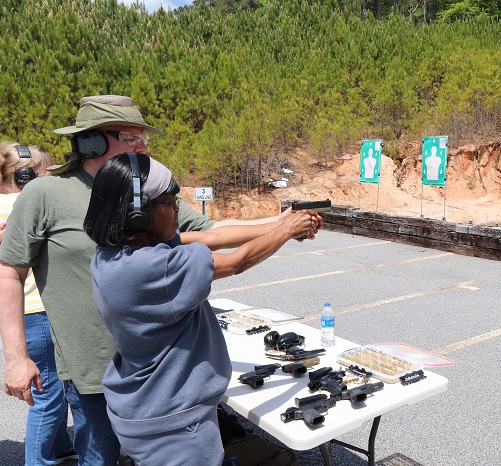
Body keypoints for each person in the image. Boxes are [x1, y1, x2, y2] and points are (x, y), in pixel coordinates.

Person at [0, 95, 307, 465]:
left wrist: (283, 223)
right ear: (90, 142)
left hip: (162, 376)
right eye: (131, 138)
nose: (142, 146)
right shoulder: (44, 193)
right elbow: (9, 272)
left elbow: (211, 231)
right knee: (99, 457)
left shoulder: (143, 185)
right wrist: (17, 358)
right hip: (93, 364)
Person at [82, 153, 320, 465]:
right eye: (170, 200)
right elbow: (237, 261)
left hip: (146, 409)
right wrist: (287, 231)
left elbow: (214, 237)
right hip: (176, 426)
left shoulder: (115, 255)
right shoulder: (152, 267)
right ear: (138, 213)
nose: (177, 208)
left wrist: (280, 222)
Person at [0, 143, 78, 465]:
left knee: (51, 386)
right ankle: (38, 460)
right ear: (25, 178)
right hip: (37, 310)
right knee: (49, 396)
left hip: (22, 314)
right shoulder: (25, 205)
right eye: (44, 173)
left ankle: (60, 449)